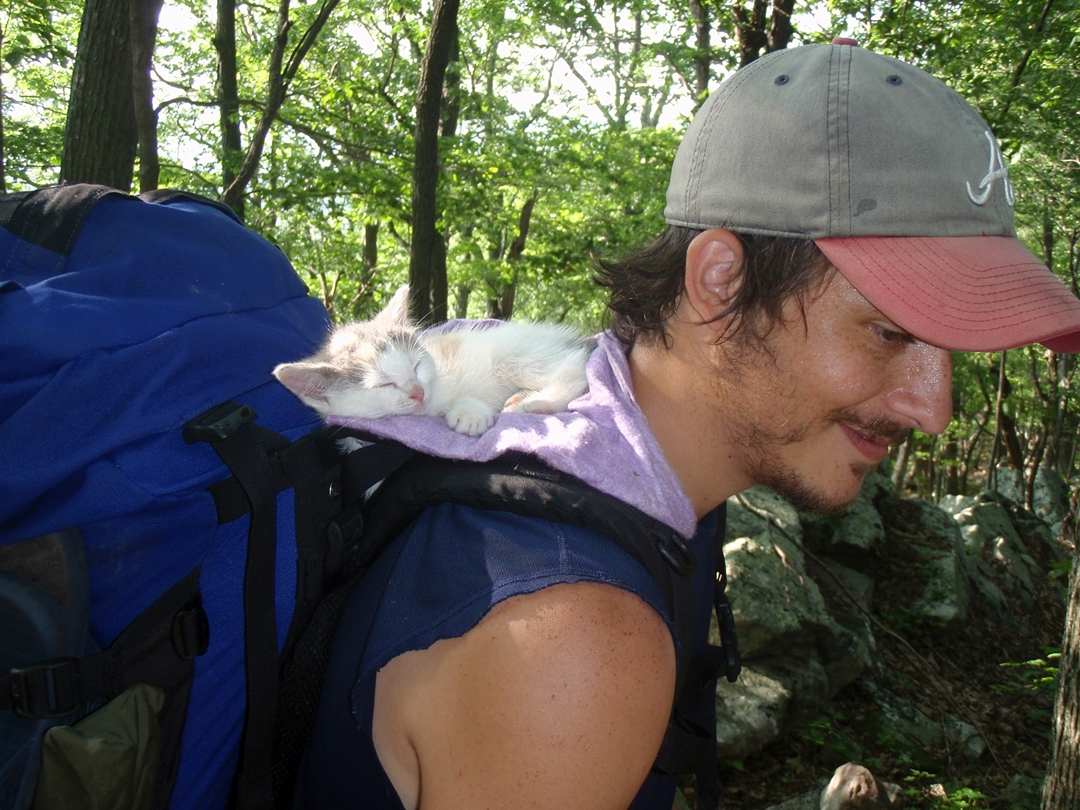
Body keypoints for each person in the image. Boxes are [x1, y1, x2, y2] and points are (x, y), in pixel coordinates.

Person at [294, 40, 1080, 810]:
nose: (934, 410)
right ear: (720, 281)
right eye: (891, 332)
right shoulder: (576, 641)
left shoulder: (613, 465)